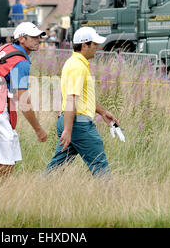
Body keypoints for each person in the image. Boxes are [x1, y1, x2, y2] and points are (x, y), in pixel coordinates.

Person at [45, 27, 120, 179]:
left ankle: (37, 190)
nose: (98, 48)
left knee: (57, 167)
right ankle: (112, 197)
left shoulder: (77, 63)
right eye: (95, 44)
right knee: (99, 164)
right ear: (84, 45)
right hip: (78, 124)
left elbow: (83, 98)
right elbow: (72, 98)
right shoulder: (77, 66)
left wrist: (103, 112)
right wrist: (68, 129)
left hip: (72, 122)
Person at [0, 22, 48, 180]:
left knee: (9, 162)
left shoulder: (7, 48)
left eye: (39, 37)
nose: (38, 40)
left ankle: (4, 198)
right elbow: (23, 99)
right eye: (34, 37)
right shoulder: (21, 61)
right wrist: (38, 129)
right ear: (22, 39)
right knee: (4, 164)